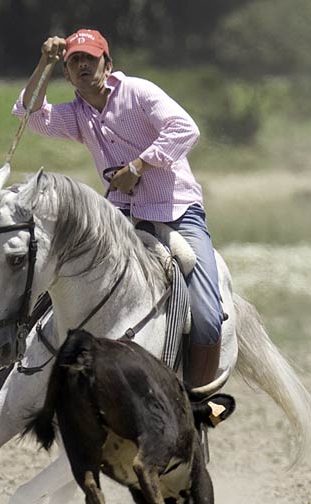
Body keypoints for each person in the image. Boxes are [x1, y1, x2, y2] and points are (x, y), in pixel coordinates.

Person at [12, 28, 223, 387]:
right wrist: (43, 63)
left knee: (206, 315)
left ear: (107, 64)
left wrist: (139, 166)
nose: (82, 66)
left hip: (176, 211)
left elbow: (185, 129)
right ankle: (17, 367)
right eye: (74, 61)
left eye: (90, 59)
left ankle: (197, 398)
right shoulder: (77, 114)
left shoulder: (138, 92)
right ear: (67, 74)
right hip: (118, 216)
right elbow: (30, 113)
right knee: (61, 279)